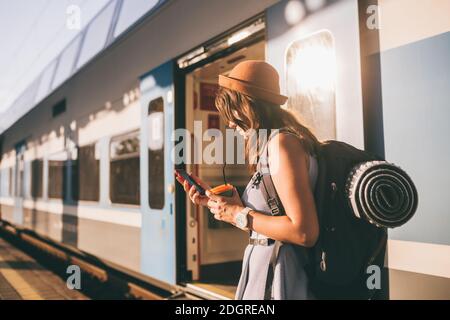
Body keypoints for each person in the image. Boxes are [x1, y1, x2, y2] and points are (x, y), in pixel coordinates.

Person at [178, 60, 322, 300]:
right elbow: (269, 218)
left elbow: (304, 231)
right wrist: (224, 206)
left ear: (249, 106)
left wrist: (238, 214)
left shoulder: (281, 144)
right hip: (268, 268)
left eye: (231, 112)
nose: (230, 123)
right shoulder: (272, 145)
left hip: (282, 274)